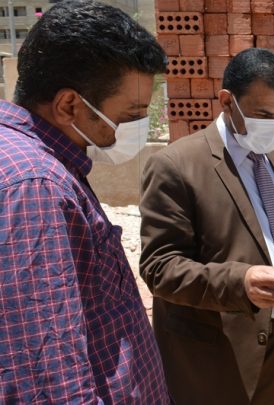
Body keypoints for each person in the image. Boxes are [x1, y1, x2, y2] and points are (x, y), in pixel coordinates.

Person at [139, 48, 274, 405]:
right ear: (227, 101)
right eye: (263, 115)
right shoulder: (176, 165)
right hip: (229, 357)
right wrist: (241, 282)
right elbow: (160, 268)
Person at [0, 1, 169, 402]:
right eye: (132, 113)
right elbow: (47, 377)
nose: (137, 126)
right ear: (69, 106)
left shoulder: (40, 161)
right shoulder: (35, 185)